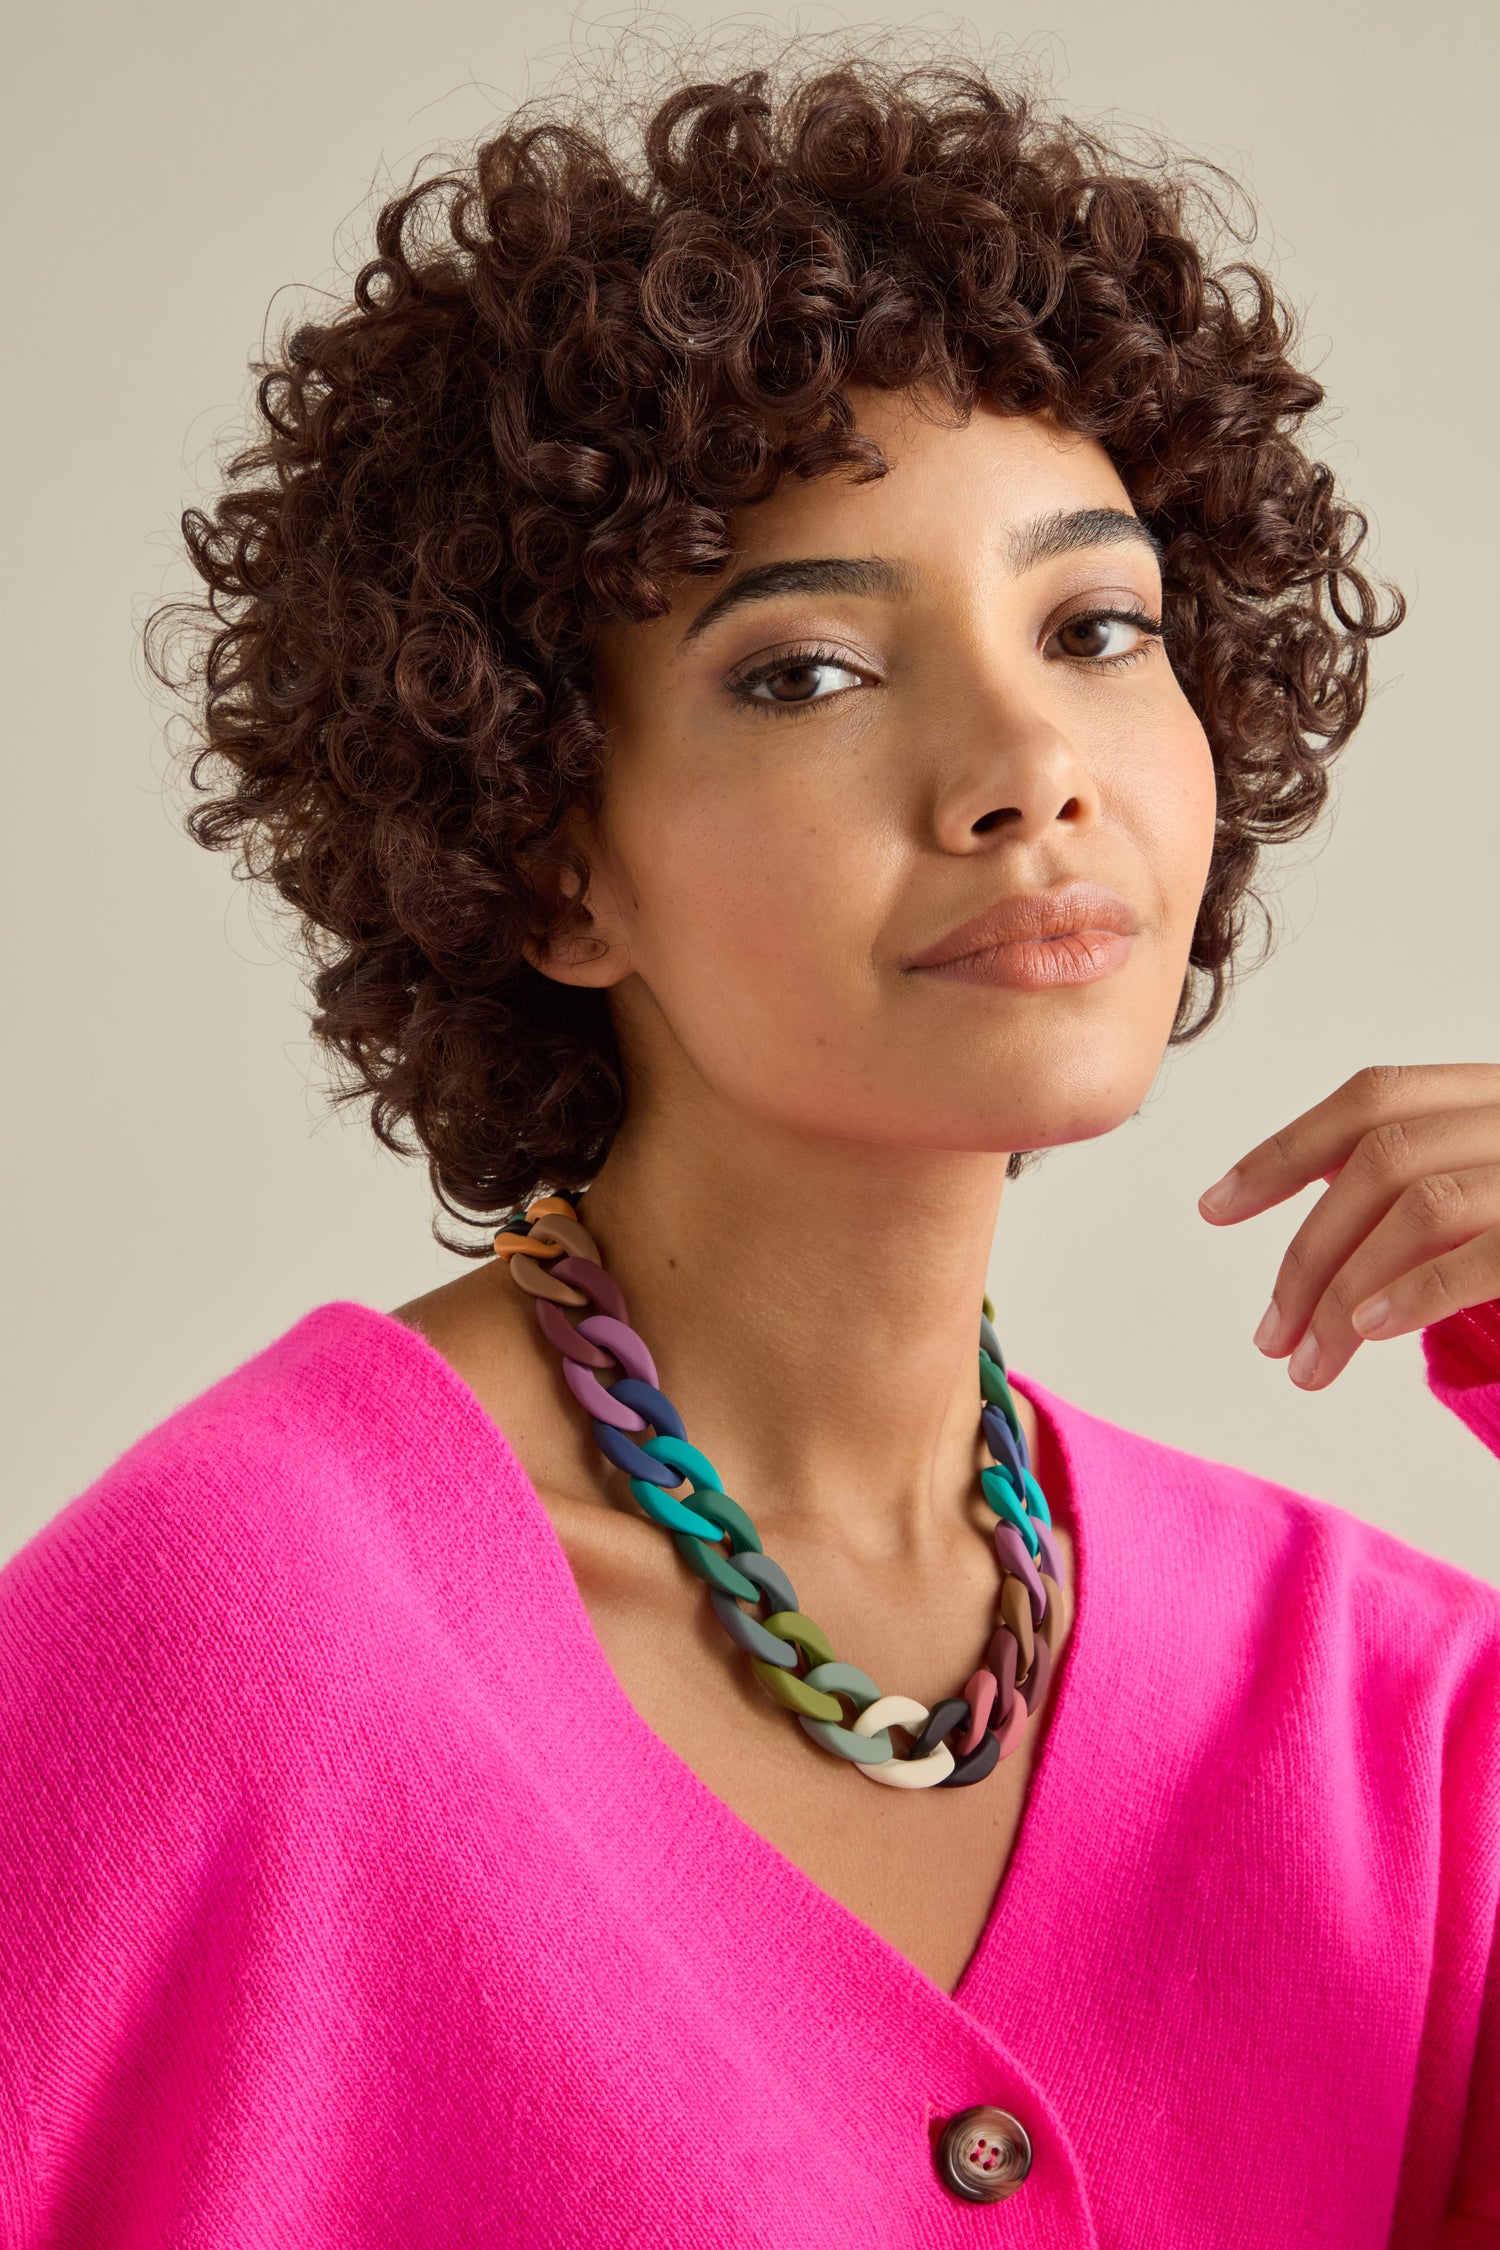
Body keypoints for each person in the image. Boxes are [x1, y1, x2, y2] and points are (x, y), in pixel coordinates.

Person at [2, 53, 1496, 2248]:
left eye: (1098, 631)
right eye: (804, 673)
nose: (1025, 768)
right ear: (548, 859)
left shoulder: (1394, 1714)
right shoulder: (238, 1637)